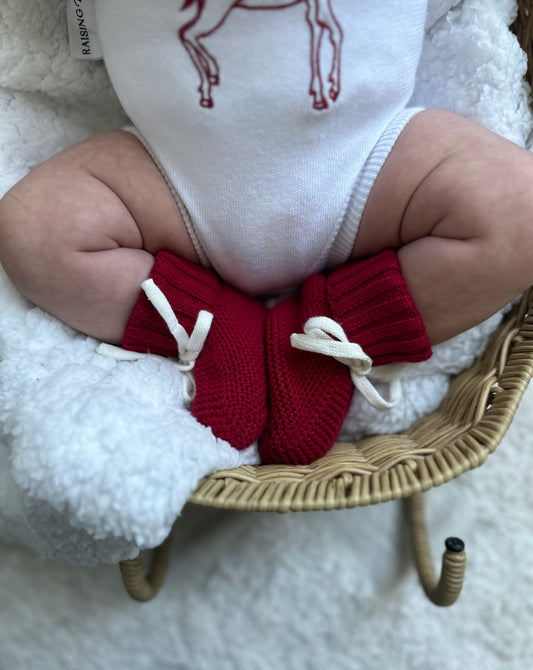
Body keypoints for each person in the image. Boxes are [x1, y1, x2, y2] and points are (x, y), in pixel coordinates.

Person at [1, 0, 533, 464]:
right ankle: (215, 330)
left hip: (369, 163)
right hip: (170, 178)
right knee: (33, 228)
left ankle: (327, 335)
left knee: (518, 213)